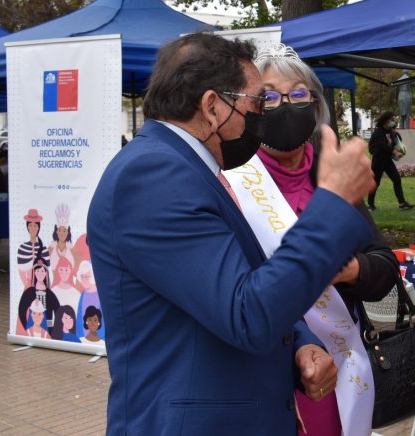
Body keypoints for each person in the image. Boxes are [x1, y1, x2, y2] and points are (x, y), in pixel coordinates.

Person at [87, 32, 376, 435]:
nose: (263, 115)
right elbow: (248, 315)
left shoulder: (185, 169)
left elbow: (228, 288)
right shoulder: (153, 176)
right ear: (211, 107)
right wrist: (331, 203)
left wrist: (299, 341)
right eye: (257, 102)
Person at [244, 43, 399, 435]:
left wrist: (349, 271)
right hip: (267, 366)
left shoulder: (333, 178)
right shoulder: (236, 180)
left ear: (315, 105)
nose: (286, 105)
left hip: (338, 365)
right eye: (271, 96)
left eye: (298, 94)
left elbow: (384, 266)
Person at [367, 111, 414, 210]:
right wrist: (394, 152)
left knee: (396, 179)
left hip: (387, 160)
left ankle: (402, 203)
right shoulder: (378, 132)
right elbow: (383, 146)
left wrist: (395, 135)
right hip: (378, 161)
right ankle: (370, 205)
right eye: (391, 120)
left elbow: (396, 142)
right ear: (386, 121)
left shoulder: (390, 131)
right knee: (375, 182)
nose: (393, 121)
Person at [16, 209, 49, 288]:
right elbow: (21, 271)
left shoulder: (44, 249)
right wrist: (27, 286)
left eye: (35, 226)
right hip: (27, 287)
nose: (32, 228)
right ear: (27, 227)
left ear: (38, 227)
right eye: (30, 225)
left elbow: (47, 271)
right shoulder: (22, 248)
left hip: (42, 287)